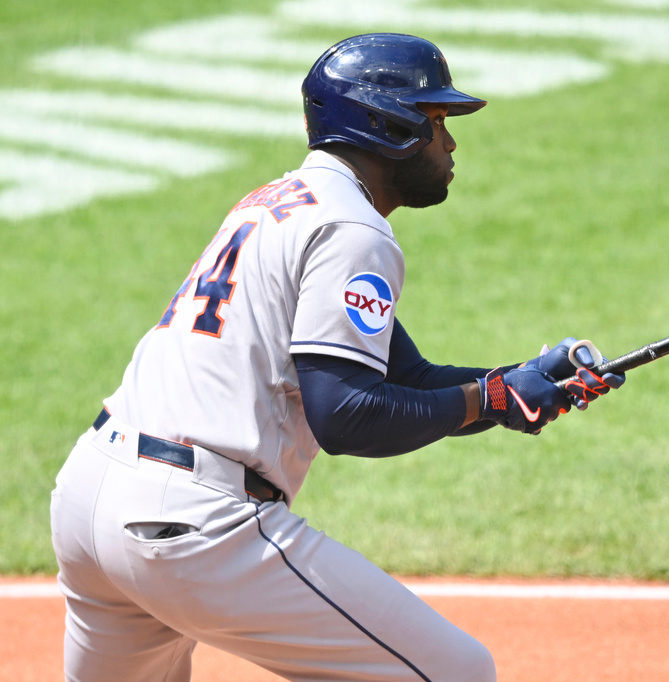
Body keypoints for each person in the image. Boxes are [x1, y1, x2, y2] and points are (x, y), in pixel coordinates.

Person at [49, 33, 624, 681]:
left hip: (91, 494)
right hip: (190, 524)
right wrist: (490, 399)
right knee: (455, 672)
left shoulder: (280, 201)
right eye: (436, 123)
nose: (451, 144)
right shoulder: (354, 229)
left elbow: (402, 377)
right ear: (390, 126)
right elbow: (348, 415)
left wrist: (512, 388)